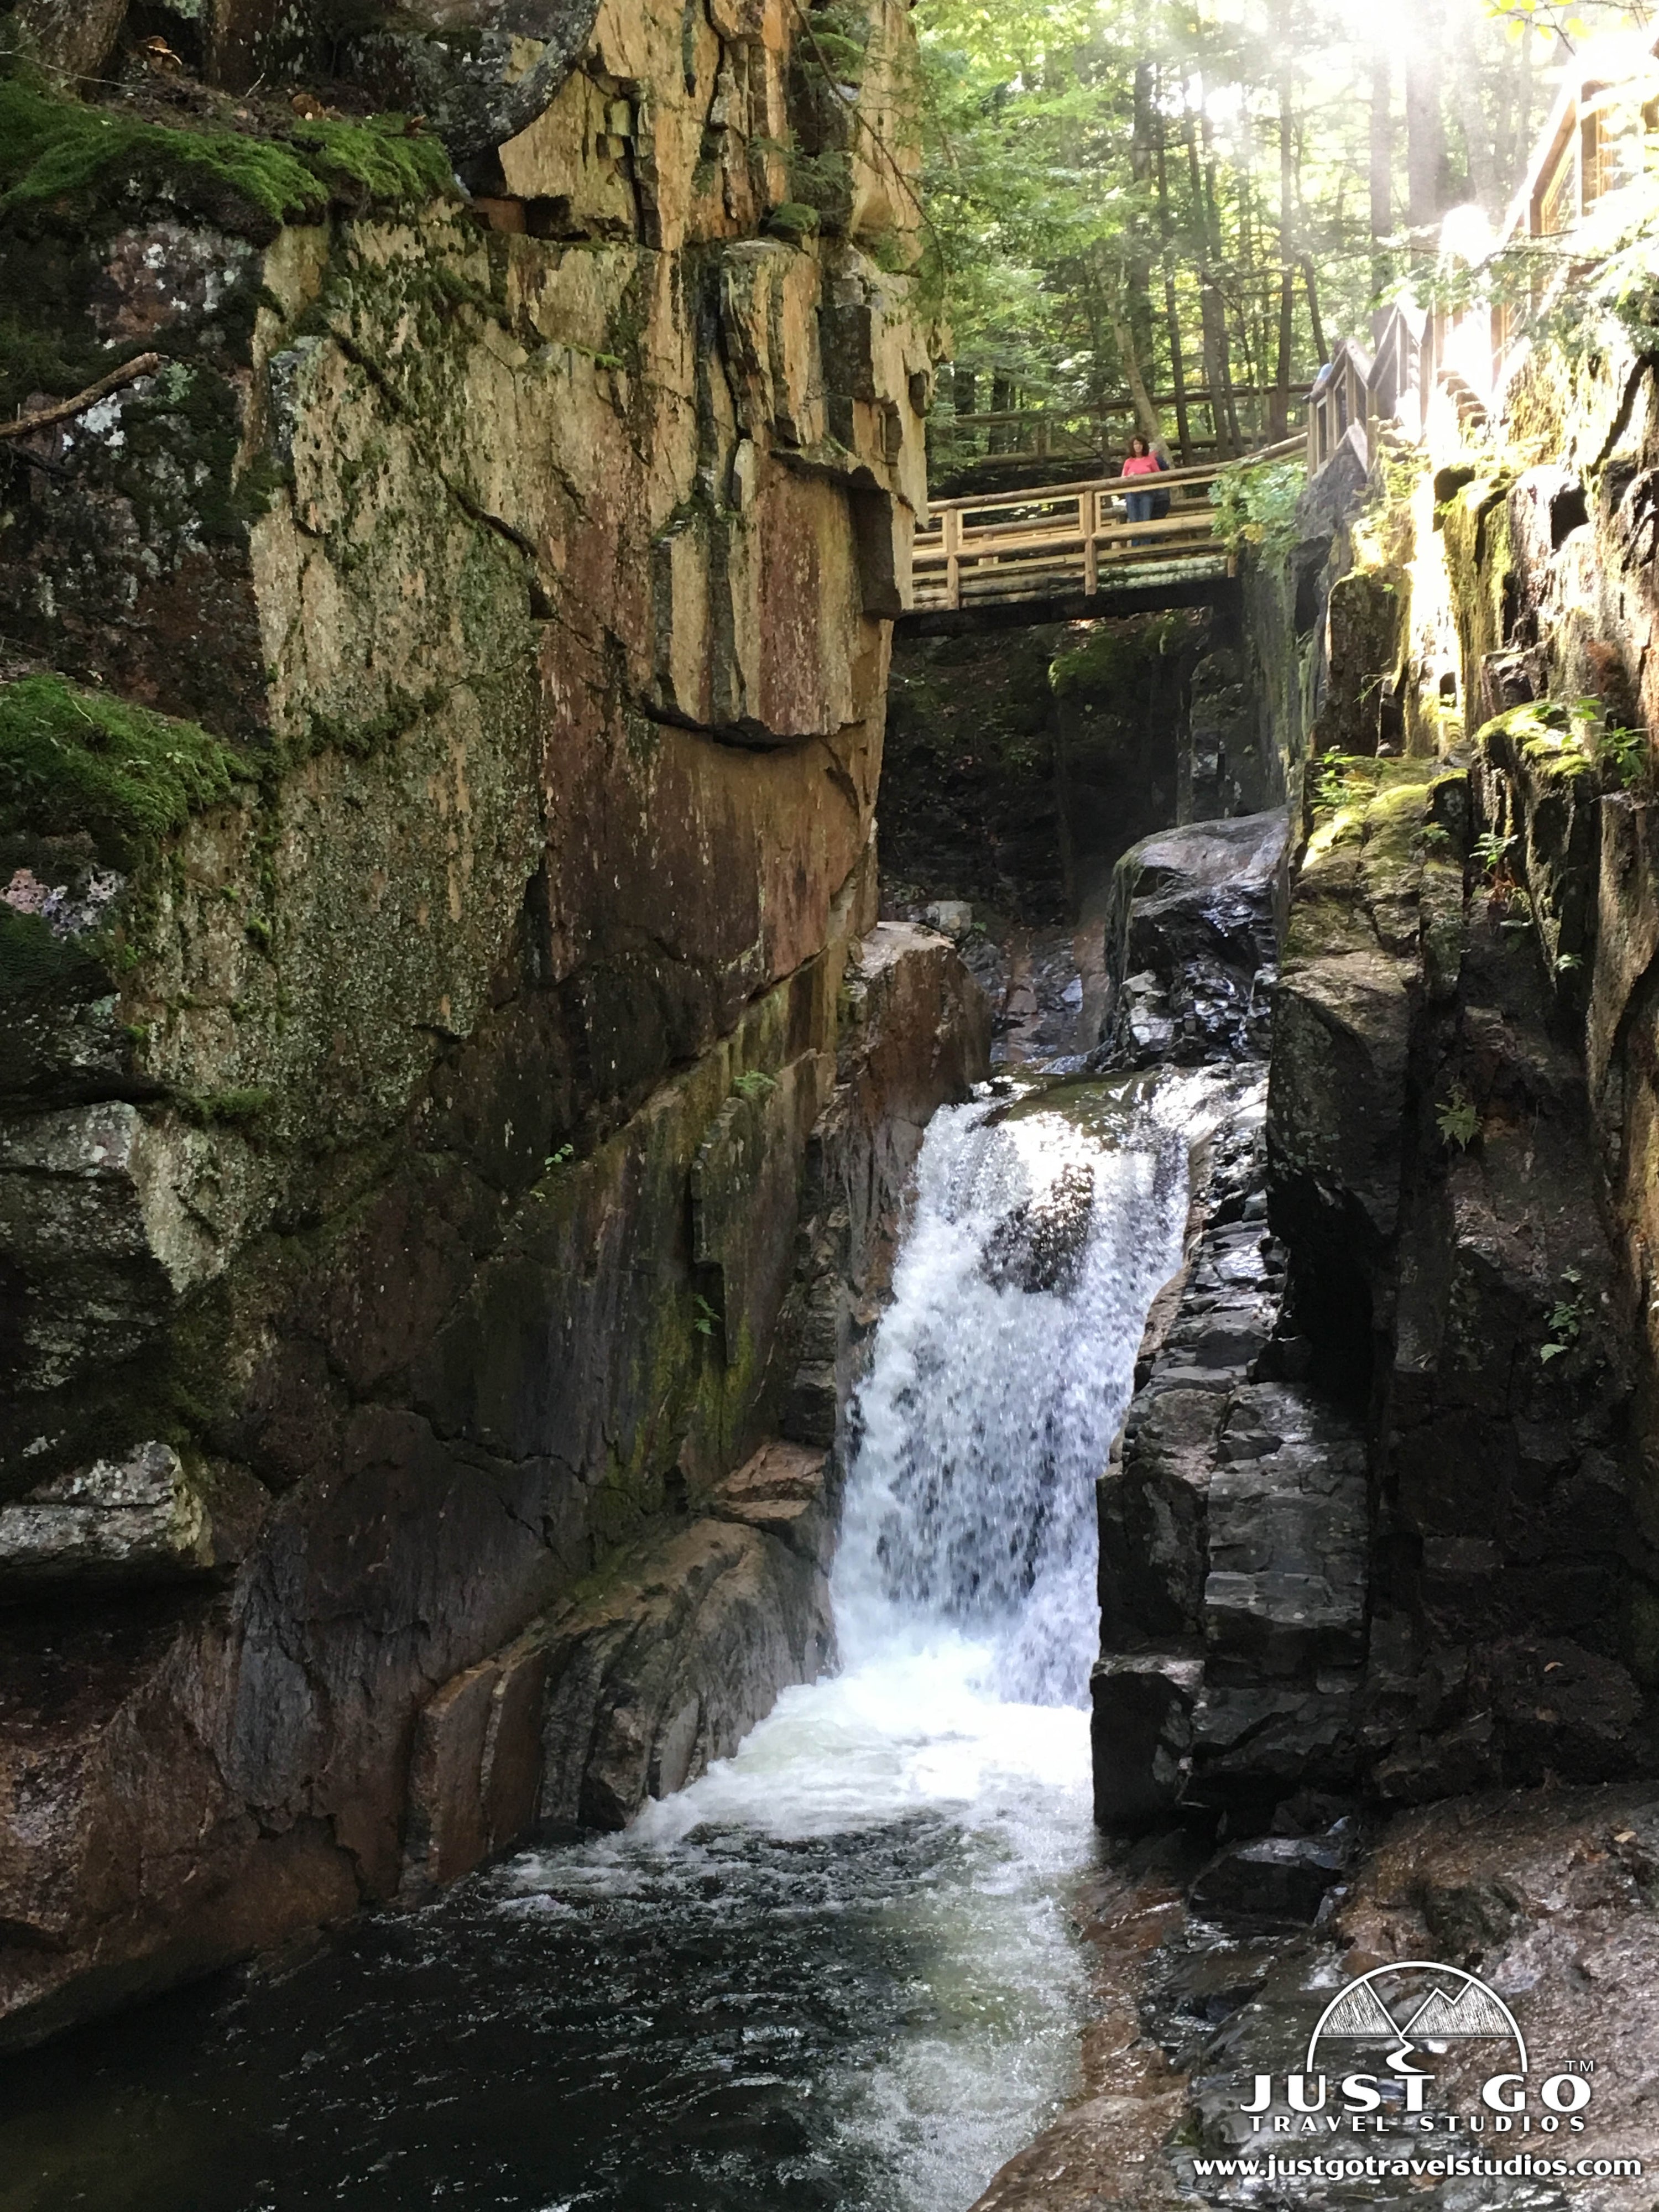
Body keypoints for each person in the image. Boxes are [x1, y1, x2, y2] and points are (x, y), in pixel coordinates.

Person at [1120, 432, 1170, 538]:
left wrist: (1147, 477)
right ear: (1132, 447)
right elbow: (1122, 479)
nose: (1138, 447)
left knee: (1146, 519)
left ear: (1144, 446)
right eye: (1135, 444)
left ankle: (1146, 548)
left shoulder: (1151, 460)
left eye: (1140, 444)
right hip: (1132, 494)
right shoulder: (1128, 462)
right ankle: (1136, 548)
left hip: (1147, 493)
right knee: (1134, 521)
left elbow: (1159, 476)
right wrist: (1130, 477)